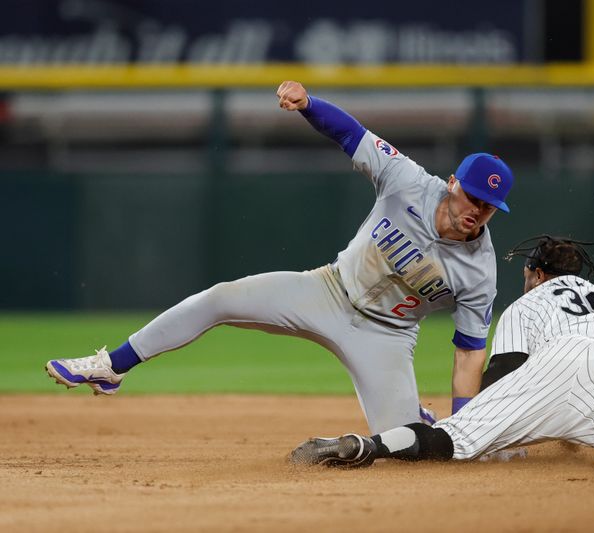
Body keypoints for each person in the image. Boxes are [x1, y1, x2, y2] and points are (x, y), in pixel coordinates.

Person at [45, 81, 515, 434]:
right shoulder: (408, 180)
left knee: (402, 444)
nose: (478, 211)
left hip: (387, 338)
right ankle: (112, 367)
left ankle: (414, 417)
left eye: (488, 206)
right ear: (454, 182)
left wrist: (464, 428)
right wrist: (308, 105)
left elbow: (469, 356)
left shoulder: (480, 270)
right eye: (472, 197)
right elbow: (351, 134)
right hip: (328, 290)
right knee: (220, 299)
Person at [289, 236, 594, 474]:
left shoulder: (529, 302)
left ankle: (364, 446)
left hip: (560, 360)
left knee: (456, 441)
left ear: (537, 274)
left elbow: (503, 373)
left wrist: (483, 424)